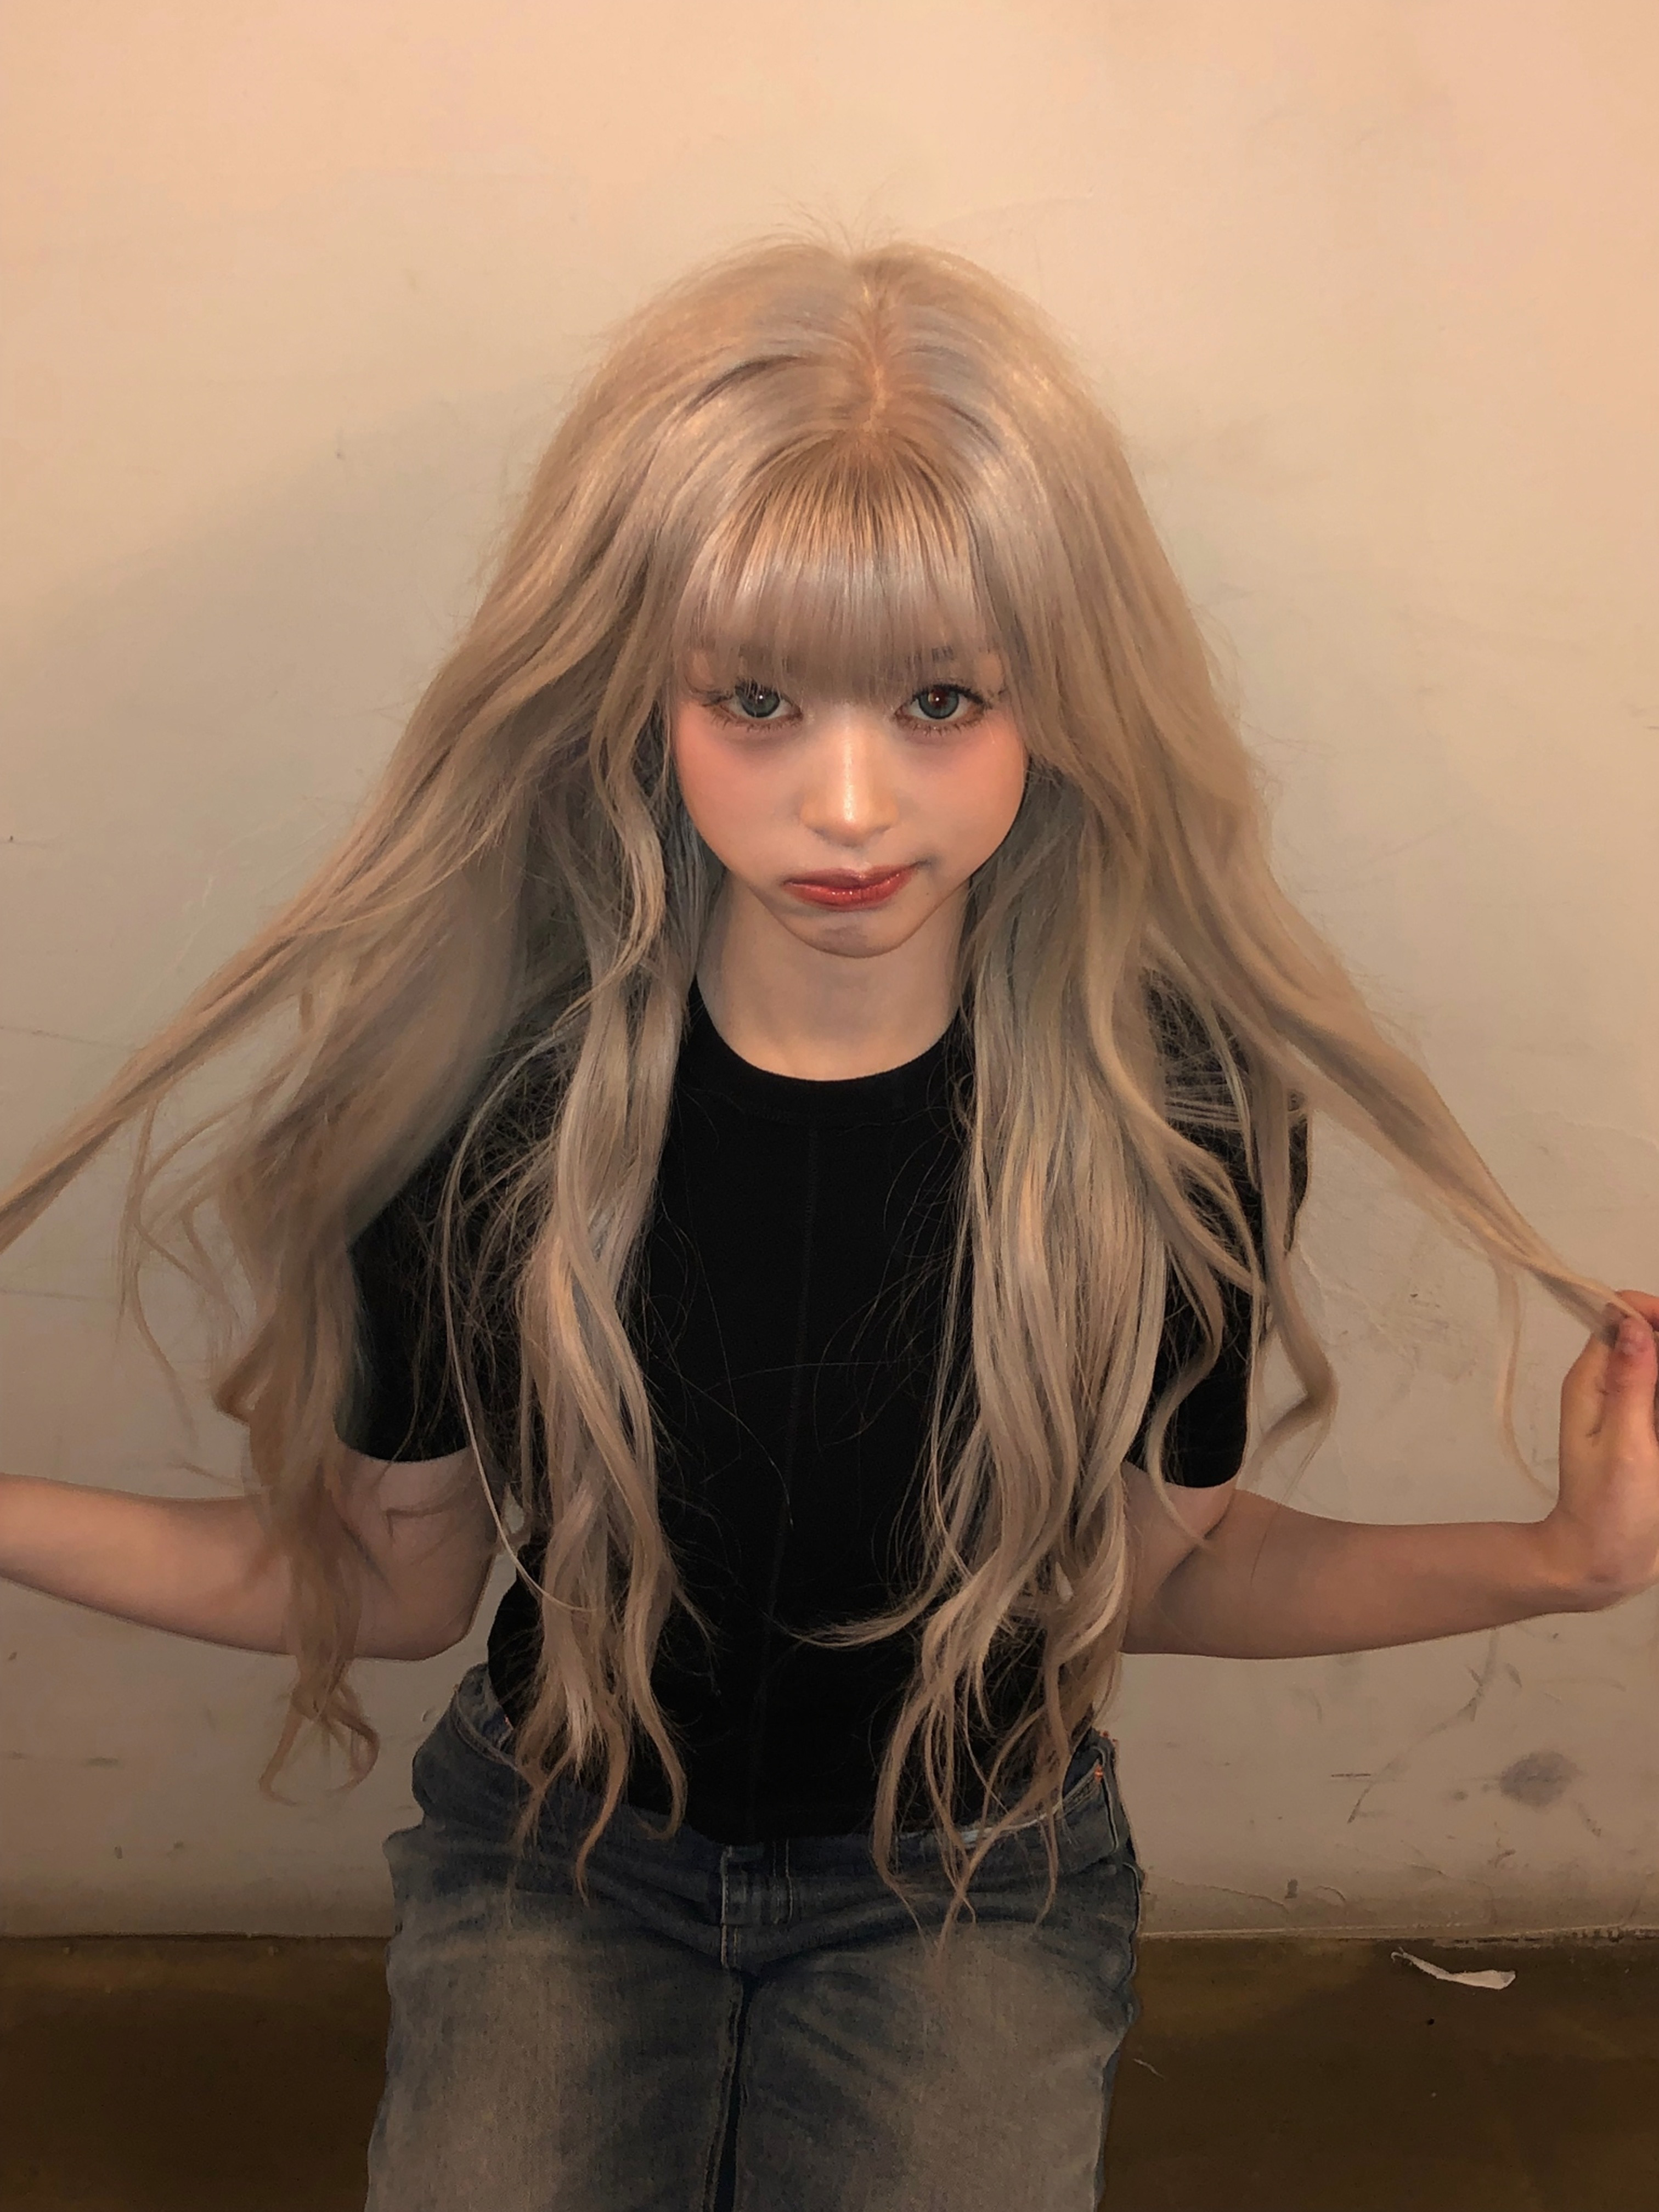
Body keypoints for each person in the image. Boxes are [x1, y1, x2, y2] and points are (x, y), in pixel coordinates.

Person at [2, 233, 1655, 2212]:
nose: (851, 807)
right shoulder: (482, 1106)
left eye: (941, 698)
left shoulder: (1180, 1117)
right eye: (761, 701)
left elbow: (1165, 1575)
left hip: (973, 1873)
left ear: (1053, 697)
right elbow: (396, 1584)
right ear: (649, 695)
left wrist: (1559, 1564)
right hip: (562, 1852)